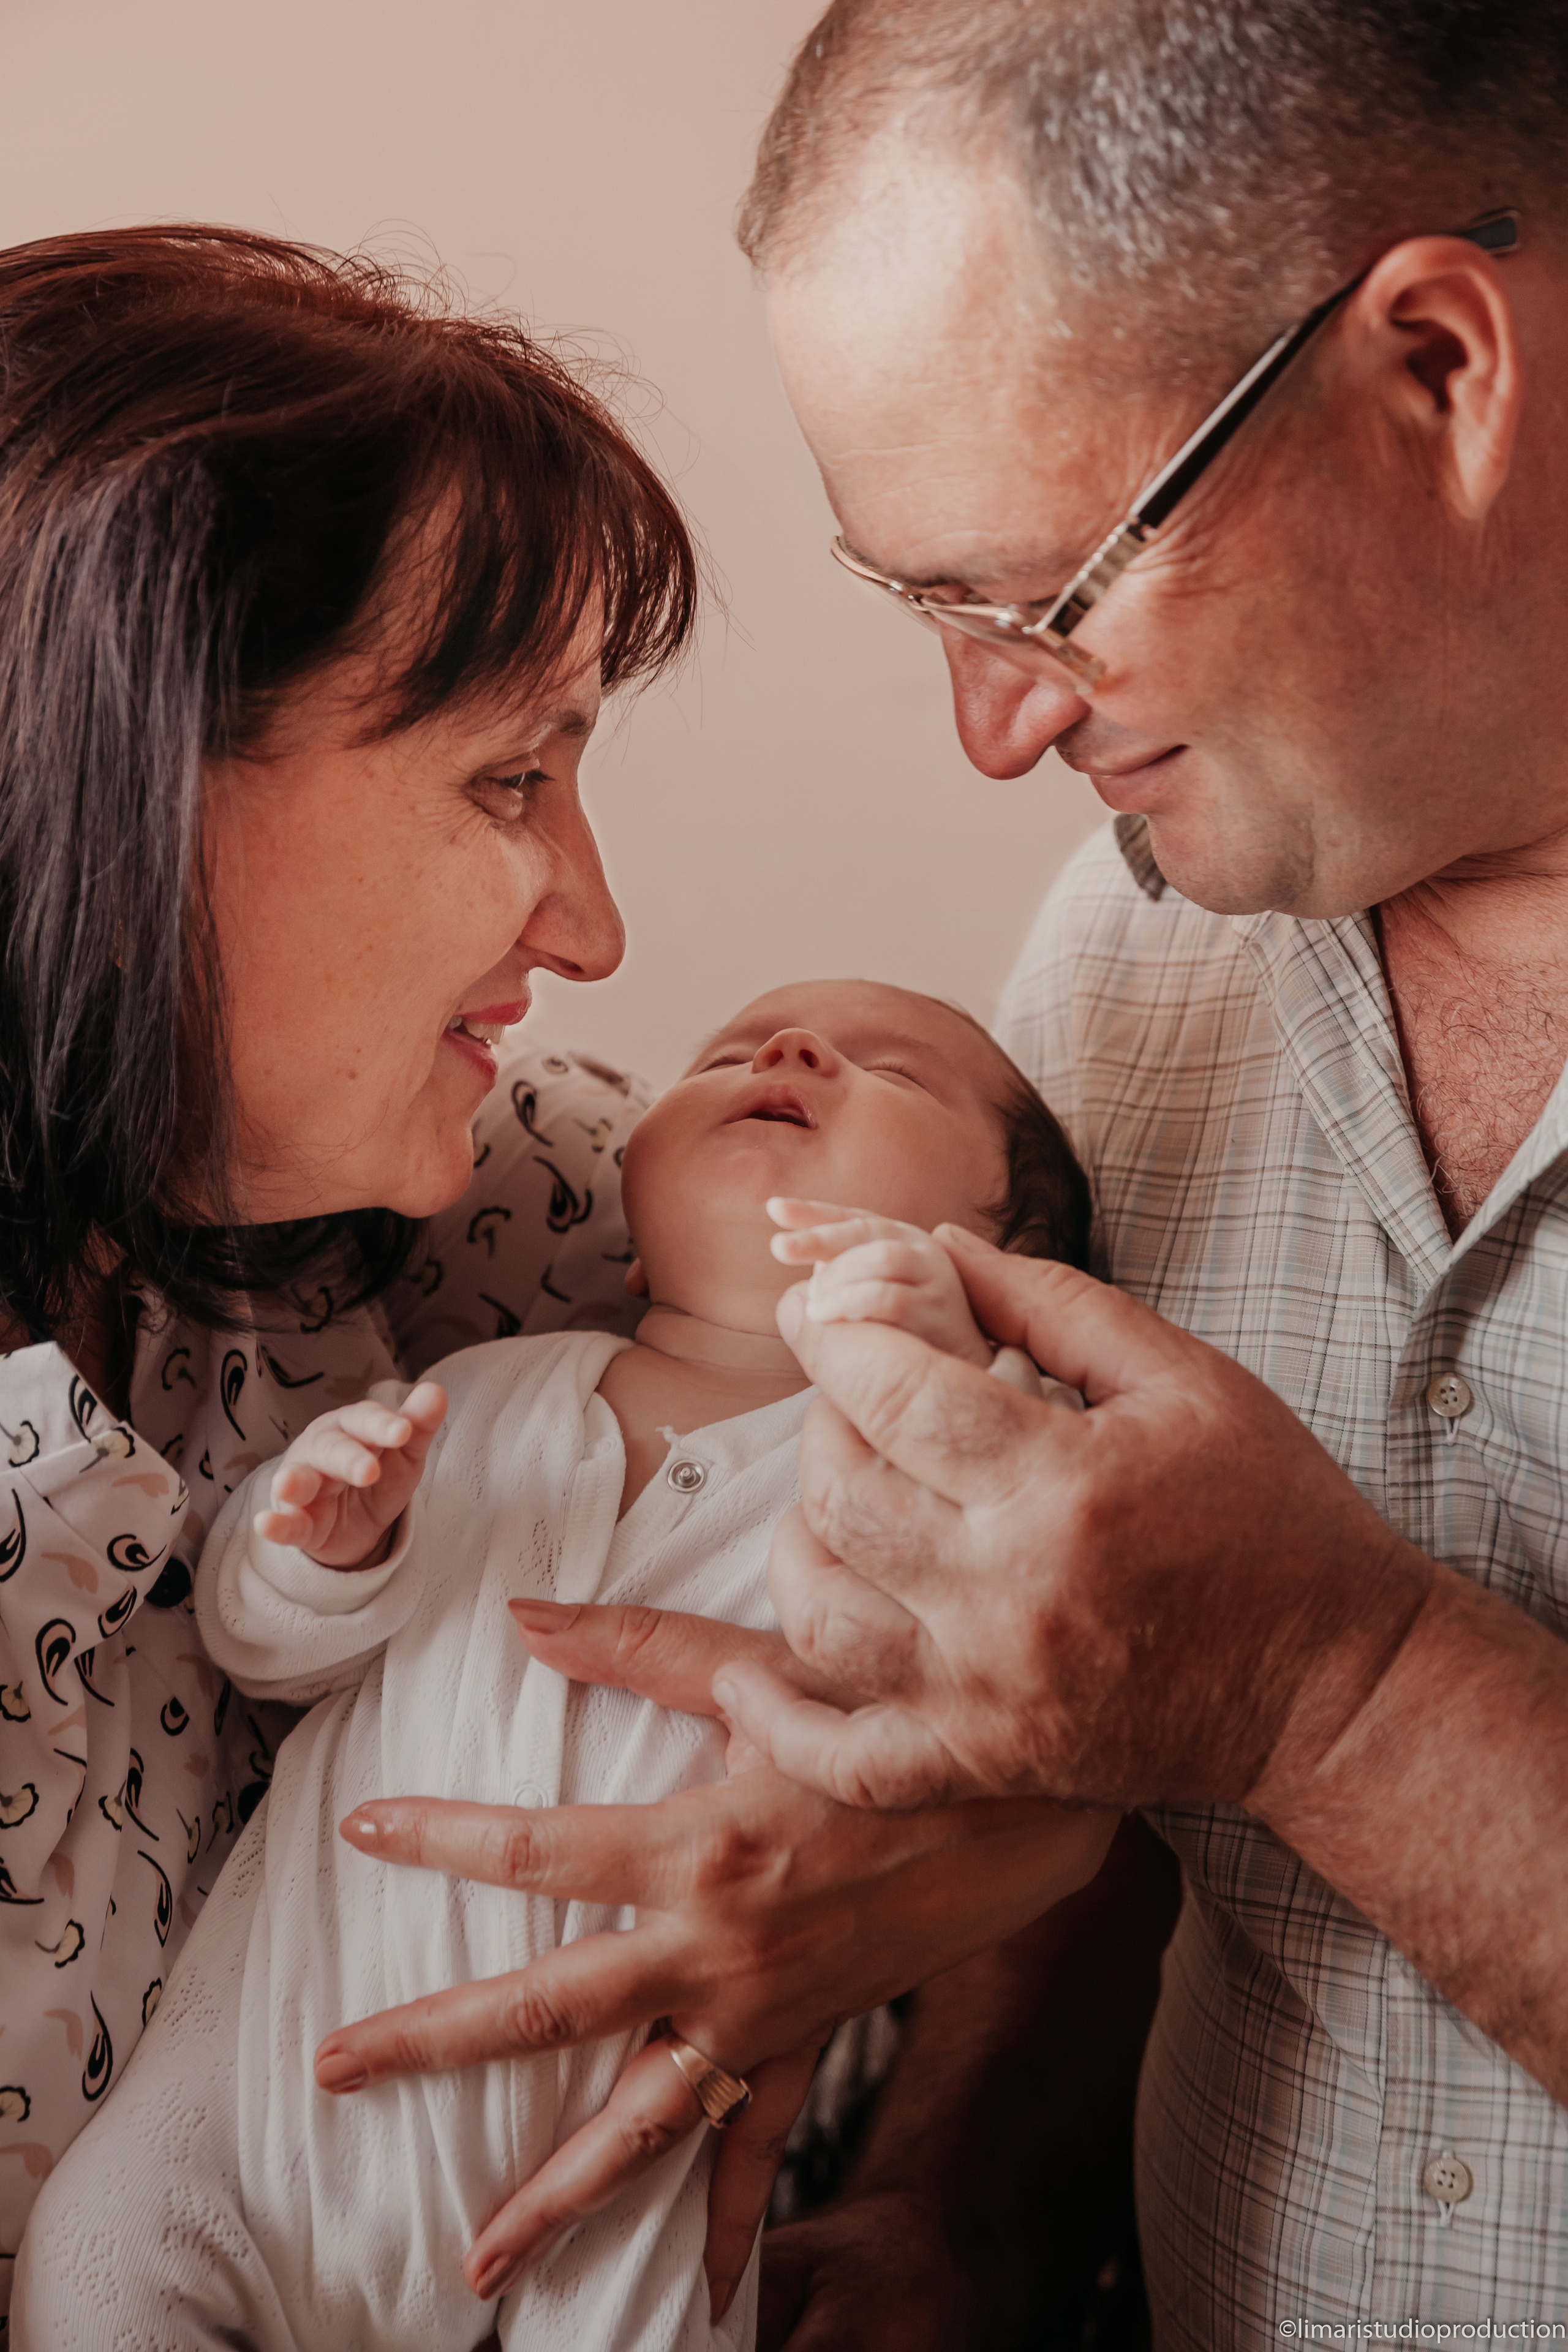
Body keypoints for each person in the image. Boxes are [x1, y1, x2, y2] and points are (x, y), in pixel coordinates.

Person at [280, 4, 1568, 2345]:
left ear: (1444, 371)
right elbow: (1108, 1746)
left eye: (1045, 593)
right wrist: (957, 2196)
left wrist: (1333, 1697)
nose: (997, 732)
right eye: (932, 618)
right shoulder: (1127, 952)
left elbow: (1228, 1694)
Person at [11, 980, 1108, 2351]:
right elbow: (261, 1652)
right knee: (94, 2258)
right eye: (725, 1055)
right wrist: (318, 1554)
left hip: (616, 2187)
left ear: (999, 1265)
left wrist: (954, 1371)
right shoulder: (473, 1397)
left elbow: (1039, 1634)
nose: (786, 1050)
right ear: (635, 1245)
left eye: (893, 1073)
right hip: (255, 2118)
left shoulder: (927, 1468)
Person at [0, 217, 695, 2328]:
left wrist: (910, 1887)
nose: (590, 923)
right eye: (510, 776)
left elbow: (1107, 1560)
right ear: (112, 783)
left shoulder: (504, 1221)